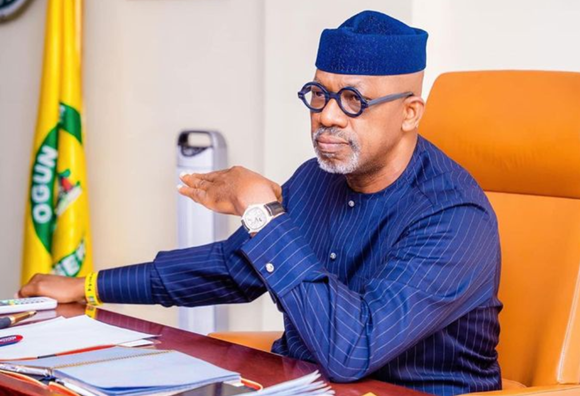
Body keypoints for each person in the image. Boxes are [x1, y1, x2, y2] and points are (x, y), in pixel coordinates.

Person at [20, 10, 502, 396]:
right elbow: (233, 269)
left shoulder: (454, 217)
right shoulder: (317, 179)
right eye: (319, 93)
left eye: (354, 100)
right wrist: (88, 286)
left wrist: (261, 210)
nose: (327, 116)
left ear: (409, 114)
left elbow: (351, 351)